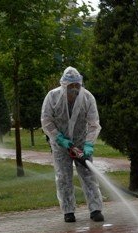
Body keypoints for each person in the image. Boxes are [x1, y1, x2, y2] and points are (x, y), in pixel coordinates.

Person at [41, 66, 104, 223]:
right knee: (63, 177)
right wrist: (59, 138)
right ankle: (68, 211)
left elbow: (94, 124)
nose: (74, 90)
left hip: (82, 143)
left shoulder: (88, 98)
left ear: (80, 85)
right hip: (61, 145)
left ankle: (95, 209)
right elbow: (46, 120)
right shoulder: (52, 97)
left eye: (77, 86)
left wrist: (88, 145)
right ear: (64, 85)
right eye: (71, 86)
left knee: (88, 175)